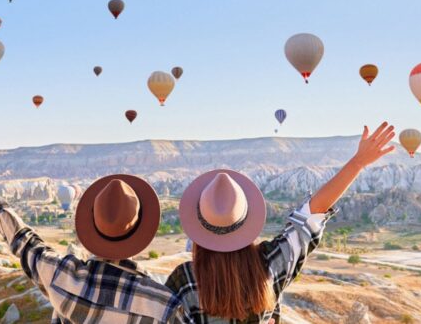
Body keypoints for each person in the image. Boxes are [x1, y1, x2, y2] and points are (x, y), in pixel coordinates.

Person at [166, 122, 395, 323]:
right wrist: (357, 163)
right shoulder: (269, 263)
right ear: (246, 222)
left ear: (199, 229)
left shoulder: (184, 279)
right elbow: (313, 212)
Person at [0, 142, 193, 324]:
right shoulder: (165, 305)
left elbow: (22, 239)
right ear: (141, 234)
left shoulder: (63, 277)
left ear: (92, 225)